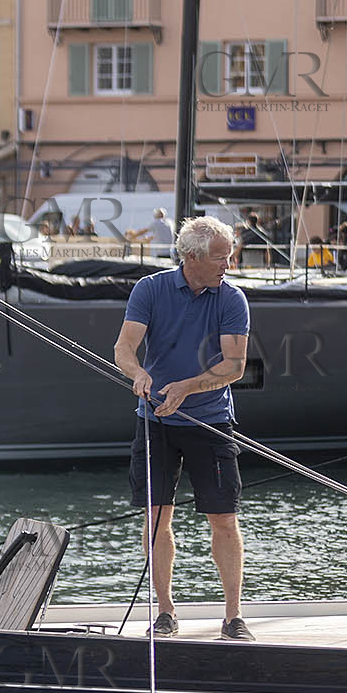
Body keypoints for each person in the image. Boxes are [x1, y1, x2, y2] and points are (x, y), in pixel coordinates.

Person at [113, 216, 253, 642]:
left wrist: (188, 387)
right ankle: (166, 613)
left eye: (229, 256)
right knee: (156, 518)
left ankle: (233, 617)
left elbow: (234, 366)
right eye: (220, 258)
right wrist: (137, 375)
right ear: (191, 257)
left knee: (224, 520)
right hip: (155, 420)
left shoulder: (232, 299)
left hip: (210, 421)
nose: (227, 265)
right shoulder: (150, 290)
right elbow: (124, 348)